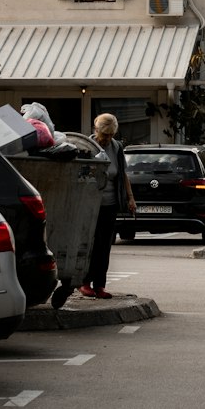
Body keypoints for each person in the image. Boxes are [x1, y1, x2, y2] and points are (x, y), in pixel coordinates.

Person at [81, 112, 135, 300]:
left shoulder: (117, 147)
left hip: (110, 205)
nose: (108, 139)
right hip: (90, 205)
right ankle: (84, 283)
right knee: (90, 244)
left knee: (105, 246)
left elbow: (123, 174)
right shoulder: (86, 146)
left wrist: (130, 198)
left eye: (111, 135)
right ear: (96, 131)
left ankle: (100, 285)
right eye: (105, 135)